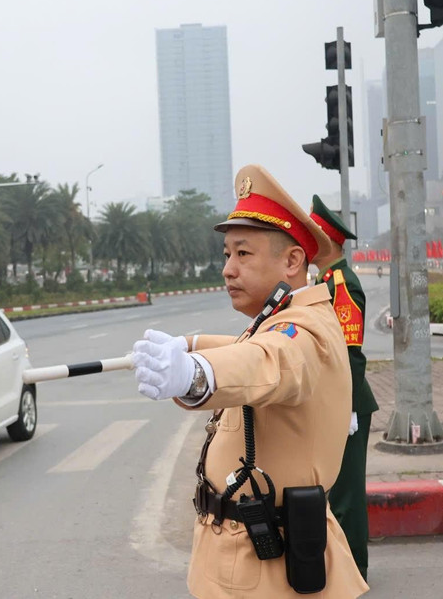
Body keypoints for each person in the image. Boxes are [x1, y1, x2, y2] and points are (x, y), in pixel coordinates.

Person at [131, 165, 368, 598]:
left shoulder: (302, 331)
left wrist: (193, 374)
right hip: (245, 553)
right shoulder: (283, 319)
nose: (228, 269)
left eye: (243, 254)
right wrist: (188, 344)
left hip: (266, 568)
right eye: (226, 254)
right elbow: (244, 344)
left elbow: (265, 361)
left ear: (293, 260)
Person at [309, 195, 379, 581]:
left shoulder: (341, 283)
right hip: (334, 402)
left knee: (348, 494)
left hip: (347, 404)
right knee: (335, 491)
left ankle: (355, 571)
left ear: (327, 240)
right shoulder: (323, 281)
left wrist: (348, 406)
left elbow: (351, 351)